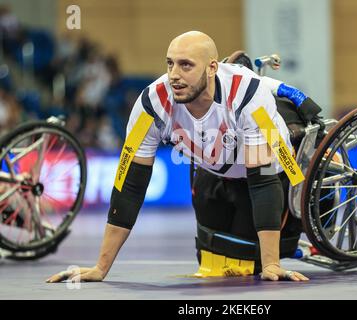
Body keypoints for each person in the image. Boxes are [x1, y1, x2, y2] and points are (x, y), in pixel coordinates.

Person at [46, 31, 323, 283]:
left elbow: (262, 182)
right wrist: (100, 268)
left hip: (275, 169)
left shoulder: (248, 95)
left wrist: (272, 265)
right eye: (170, 64)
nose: (174, 75)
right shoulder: (151, 104)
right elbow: (128, 186)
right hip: (217, 166)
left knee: (256, 259)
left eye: (185, 65)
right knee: (216, 260)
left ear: (212, 67)